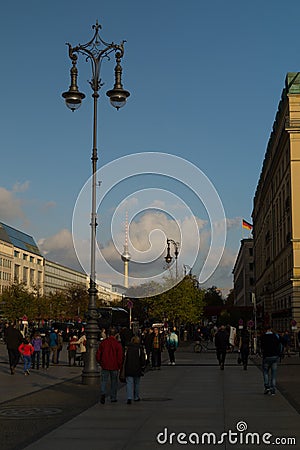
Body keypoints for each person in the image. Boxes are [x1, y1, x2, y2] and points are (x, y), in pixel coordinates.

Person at [95, 327, 123, 404]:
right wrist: (120, 365)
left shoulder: (103, 343)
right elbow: (120, 356)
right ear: (116, 335)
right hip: (114, 365)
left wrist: (100, 362)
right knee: (114, 382)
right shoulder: (117, 344)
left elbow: (98, 354)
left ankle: (103, 393)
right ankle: (113, 397)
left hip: (105, 364)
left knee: (104, 381)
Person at [124, 336, 146, 404]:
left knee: (129, 383)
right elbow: (142, 359)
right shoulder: (139, 348)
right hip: (137, 368)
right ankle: (136, 397)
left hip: (129, 367)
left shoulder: (128, 348)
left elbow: (125, 358)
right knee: (136, 383)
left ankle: (129, 397)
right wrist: (143, 366)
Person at [261, 325, 281, 395]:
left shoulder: (263, 337)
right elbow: (279, 345)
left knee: (265, 372)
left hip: (266, 357)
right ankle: (273, 389)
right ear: (270, 329)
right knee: (273, 374)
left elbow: (261, 347)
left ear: (265, 330)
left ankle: (267, 387)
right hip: (274, 357)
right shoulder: (275, 336)